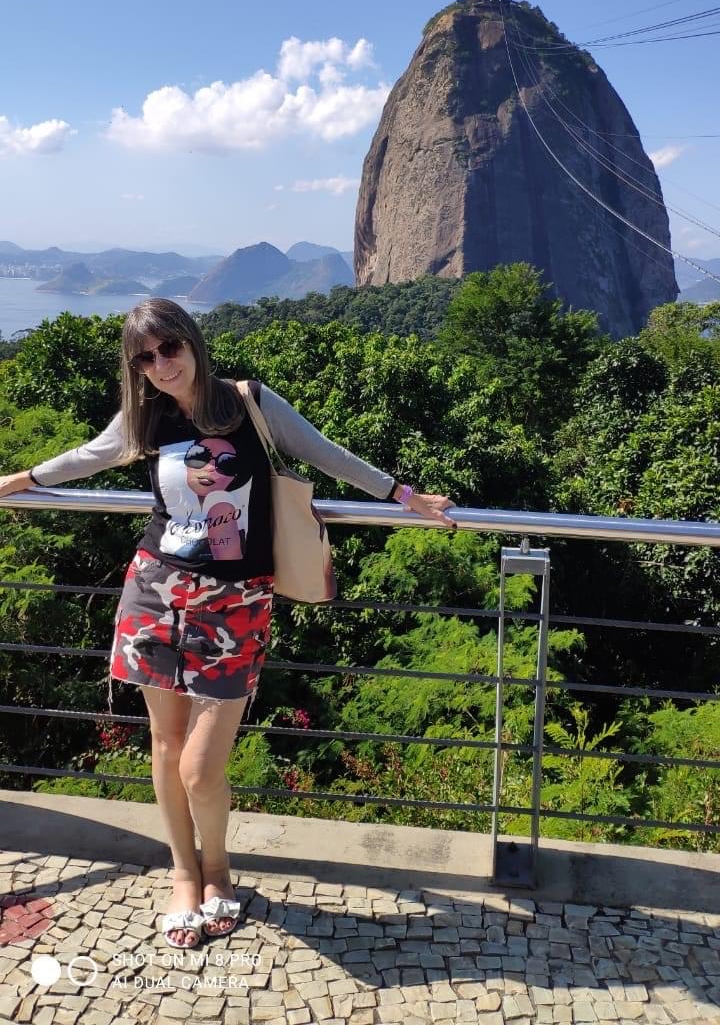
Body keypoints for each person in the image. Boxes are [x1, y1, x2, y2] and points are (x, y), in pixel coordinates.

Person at [0, 298, 456, 949]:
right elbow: (90, 456)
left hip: (237, 602)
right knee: (164, 746)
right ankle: (186, 875)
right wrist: (20, 479)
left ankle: (220, 870)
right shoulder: (147, 418)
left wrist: (407, 496)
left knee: (200, 765)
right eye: (145, 358)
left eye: (170, 349)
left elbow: (327, 455)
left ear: (192, 343)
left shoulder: (250, 403)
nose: (161, 366)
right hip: (154, 591)